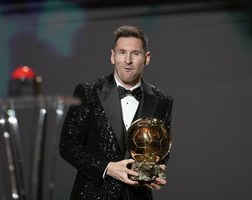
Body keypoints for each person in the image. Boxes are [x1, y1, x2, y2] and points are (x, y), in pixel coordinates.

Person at [59, 25, 173, 200]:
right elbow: (68, 146)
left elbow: (161, 148)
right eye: (122, 52)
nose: (127, 60)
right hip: (93, 194)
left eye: (135, 53)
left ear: (146, 58)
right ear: (112, 56)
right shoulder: (88, 92)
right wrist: (107, 167)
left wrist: (156, 170)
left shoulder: (162, 100)